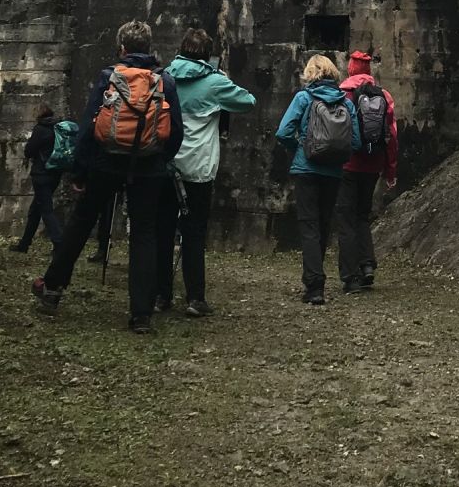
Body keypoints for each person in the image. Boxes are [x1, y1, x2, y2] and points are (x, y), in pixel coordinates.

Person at [31, 20, 183, 333]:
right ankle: (141, 314)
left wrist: (80, 170)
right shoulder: (164, 80)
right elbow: (176, 131)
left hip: (105, 162)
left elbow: (88, 127)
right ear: (149, 47)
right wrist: (159, 160)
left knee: (81, 223)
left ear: (122, 47)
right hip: (148, 166)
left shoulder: (109, 77)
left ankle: (52, 288)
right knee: (144, 234)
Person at [156, 29, 256, 317]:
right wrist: (223, 80)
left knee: (162, 231)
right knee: (194, 233)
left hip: (166, 164)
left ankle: (161, 295)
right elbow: (248, 102)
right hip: (198, 168)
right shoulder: (214, 83)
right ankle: (194, 297)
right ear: (207, 54)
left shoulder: (164, 78)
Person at [275, 54, 360, 305]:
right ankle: (316, 278)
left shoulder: (304, 98)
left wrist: (299, 148)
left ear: (310, 74)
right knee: (323, 225)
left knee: (309, 225)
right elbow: (354, 141)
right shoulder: (346, 103)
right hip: (333, 172)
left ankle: (314, 285)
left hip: (307, 169)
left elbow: (283, 131)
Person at [337, 51, 399, 293]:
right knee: (362, 215)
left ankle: (350, 276)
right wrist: (390, 170)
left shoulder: (343, 94)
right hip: (373, 165)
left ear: (351, 69)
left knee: (346, 219)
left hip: (348, 164)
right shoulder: (384, 96)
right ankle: (367, 266)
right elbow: (392, 137)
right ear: (369, 71)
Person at [12, 104, 65, 254]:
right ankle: (24, 244)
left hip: (41, 174)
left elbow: (29, 151)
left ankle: (59, 243)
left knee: (46, 209)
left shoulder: (40, 129)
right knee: (35, 210)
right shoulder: (57, 128)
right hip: (55, 173)